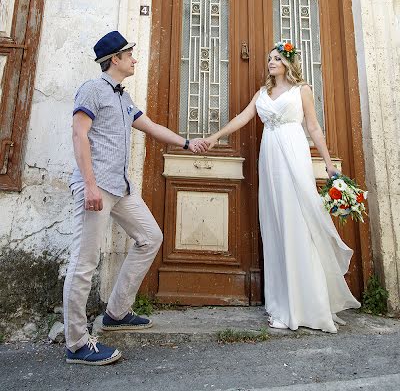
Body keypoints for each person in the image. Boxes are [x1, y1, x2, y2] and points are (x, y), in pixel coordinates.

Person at [63, 31, 208, 365]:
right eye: (130, 54)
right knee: (84, 263)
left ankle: (116, 311)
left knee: (150, 237)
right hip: (96, 188)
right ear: (115, 58)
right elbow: (78, 134)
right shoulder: (93, 89)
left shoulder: (123, 98)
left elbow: (152, 127)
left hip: (120, 187)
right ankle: (75, 343)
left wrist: (188, 143)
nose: (134, 59)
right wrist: (89, 185)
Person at [206, 41, 360, 333]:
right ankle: (282, 303)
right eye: (269, 59)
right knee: (276, 224)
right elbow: (243, 117)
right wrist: (216, 137)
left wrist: (329, 165)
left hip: (294, 153)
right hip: (270, 157)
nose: (271, 62)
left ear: (289, 62)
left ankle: (307, 305)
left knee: (298, 222)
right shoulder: (262, 93)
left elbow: (313, 127)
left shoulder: (302, 90)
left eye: (277, 58)